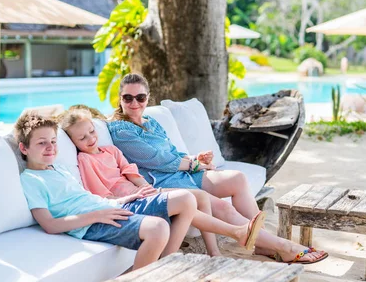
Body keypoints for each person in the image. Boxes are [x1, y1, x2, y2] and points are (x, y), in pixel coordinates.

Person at [108, 73, 328, 264]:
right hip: (164, 181)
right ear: (120, 99)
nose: (134, 103)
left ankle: (262, 242)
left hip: (182, 172)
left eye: (140, 97)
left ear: (147, 98)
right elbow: (158, 160)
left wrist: (196, 159)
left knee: (237, 179)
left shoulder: (150, 122)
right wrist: (194, 164)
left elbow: (173, 152)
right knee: (223, 208)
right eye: (128, 97)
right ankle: (285, 247)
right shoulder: (120, 129)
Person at [59, 108, 264, 256]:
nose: (90, 138)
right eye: (82, 138)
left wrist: (144, 187)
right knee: (187, 201)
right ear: (74, 142)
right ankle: (227, 237)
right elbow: (101, 195)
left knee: (200, 197)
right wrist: (133, 195)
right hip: (127, 200)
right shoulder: (85, 160)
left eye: (92, 132)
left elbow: (130, 171)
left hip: (142, 192)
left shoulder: (110, 150)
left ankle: (214, 251)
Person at [15, 111, 194, 270]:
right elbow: (50, 225)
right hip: (91, 223)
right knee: (158, 228)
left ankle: (163, 268)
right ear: (24, 148)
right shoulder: (31, 179)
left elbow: (89, 198)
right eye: (41, 143)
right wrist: (97, 216)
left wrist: (127, 199)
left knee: (186, 199)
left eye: (53, 141)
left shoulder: (60, 169)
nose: (50, 147)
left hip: (110, 207)